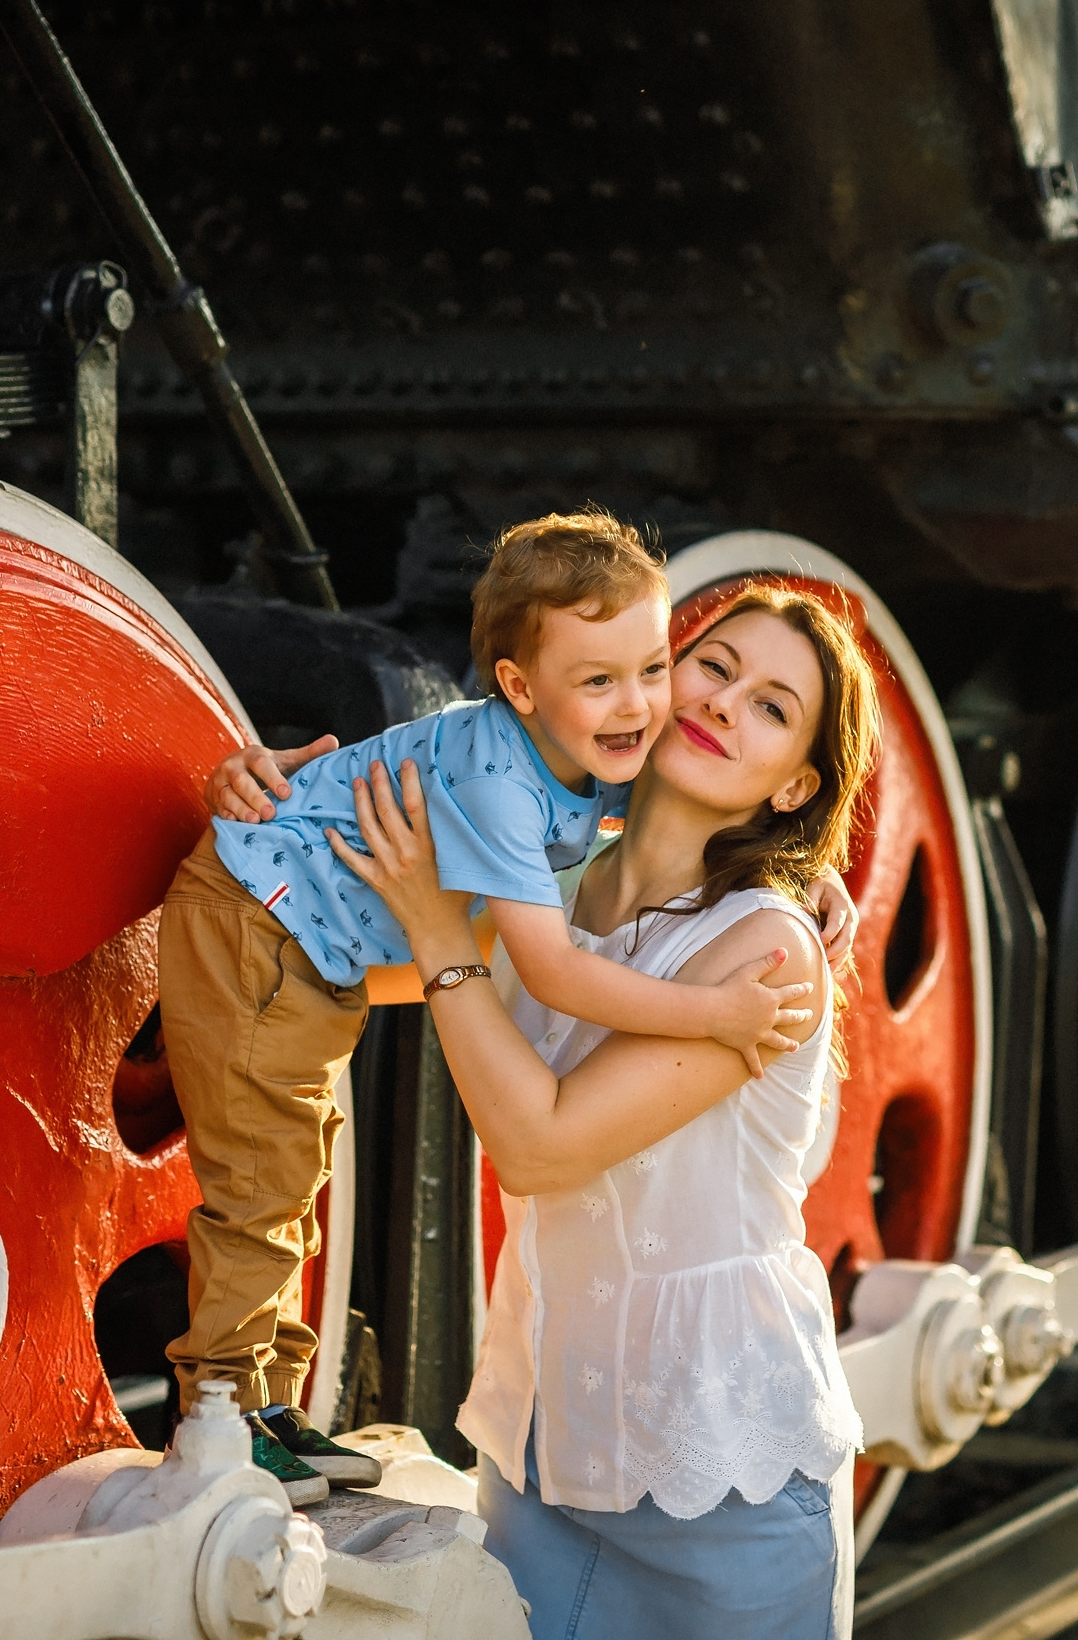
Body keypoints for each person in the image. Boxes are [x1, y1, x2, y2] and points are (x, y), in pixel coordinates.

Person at [169, 513, 853, 1502]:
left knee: (291, 1175)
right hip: (264, 929)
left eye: (651, 670)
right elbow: (549, 975)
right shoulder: (504, 785)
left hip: (305, 950)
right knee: (266, 1183)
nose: (668, 703)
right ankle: (224, 1417)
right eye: (709, 667)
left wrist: (808, 868)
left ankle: (264, 1405)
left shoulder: (579, 778)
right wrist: (711, 1015)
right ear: (525, 687)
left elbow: (615, 841)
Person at [328, 584, 879, 1639]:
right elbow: (353, 964)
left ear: (793, 784)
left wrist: (441, 930)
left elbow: (539, 1147)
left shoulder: (767, 951)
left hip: (720, 1491)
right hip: (544, 1459)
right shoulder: (552, 878)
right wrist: (263, 791)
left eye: (772, 707)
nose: (725, 703)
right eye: (714, 667)